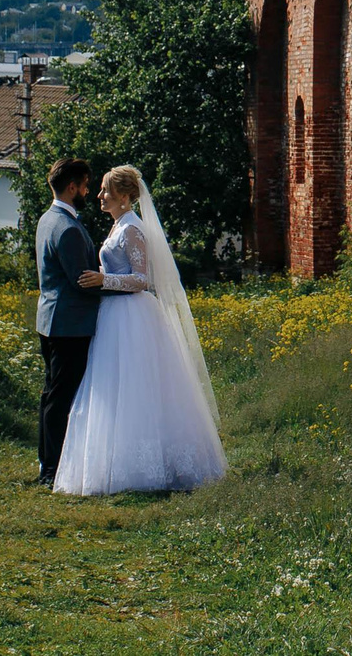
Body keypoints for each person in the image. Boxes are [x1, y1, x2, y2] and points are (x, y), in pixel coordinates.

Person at [52, 164, 228, 495]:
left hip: (132, 315)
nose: (100, 196)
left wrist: (104, 279)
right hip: (115, 314)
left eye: (106, 190)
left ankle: (148, 464)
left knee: (137, 387)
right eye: (101, 190)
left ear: (124, 196)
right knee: (116, 387)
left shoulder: (132, 229)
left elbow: (142, 279)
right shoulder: (119, 224)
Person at [33, 157, 103, 487]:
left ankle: (48, 462)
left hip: (51, 319)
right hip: (70, 325)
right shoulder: (69, 228)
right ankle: (52, 469)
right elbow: (82, 280)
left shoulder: (48, 219)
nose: (88, 191)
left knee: (52, 394)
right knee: (61, 397)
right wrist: (120, 285)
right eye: (86, 185)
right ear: (72, 187)